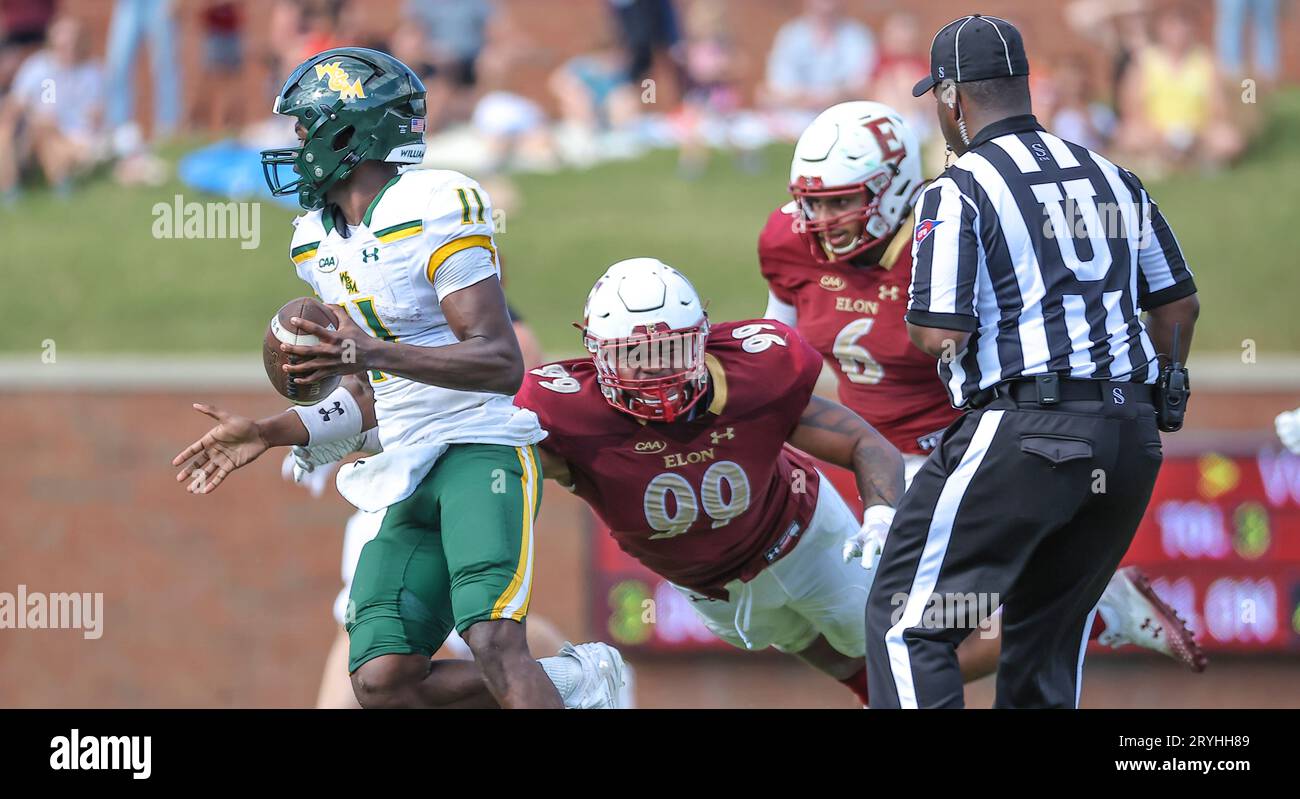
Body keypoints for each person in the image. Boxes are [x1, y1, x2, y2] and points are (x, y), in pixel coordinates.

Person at [172, 48, 626, 709]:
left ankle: (550, 680)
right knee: (379, 681)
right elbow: (369, 391)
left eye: (304, 131)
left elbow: (500, 362)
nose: (294, 148)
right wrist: (270, 432)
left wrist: (371, 354)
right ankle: (573, 680)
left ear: (349, 133)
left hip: (480, 448)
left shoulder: (437, 203)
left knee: (495, 642)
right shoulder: (315, 242)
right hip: (408, 460)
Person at [760, 100, 1204, 674]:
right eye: (812, 202)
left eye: (843, 201)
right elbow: (781, 357)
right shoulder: (787, 239)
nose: (823, 219)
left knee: (915, 642)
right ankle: (1086, 609)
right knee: (857, 639)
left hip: (959, 453)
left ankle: (1091, 611)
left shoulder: (948, 227)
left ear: (894, 188)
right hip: (865, 458)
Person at [865, 14, 1201, 708]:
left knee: (906, 621)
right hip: (1130, 438)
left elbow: (938, 331)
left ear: (953, 98)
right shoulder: (1114, 176)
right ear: (1022, 85)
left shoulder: (958, 187)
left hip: (1026, 430)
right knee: (1044, 639)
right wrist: (1165, 389)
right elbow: (1178, 308)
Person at [0, 16, 106, 203]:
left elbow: (95, 118)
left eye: (71, 43)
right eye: (62, 44)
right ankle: (50, 185)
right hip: (38, 139)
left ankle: (58, 182)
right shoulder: (39, 69)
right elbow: (16, 105)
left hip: (76, 139)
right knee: (35, 126)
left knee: (49, 131)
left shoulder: (92, 73)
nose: (66, 49)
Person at [760, 0, 875, 138]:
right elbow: (777, 87)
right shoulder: (790, 35)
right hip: (796, 115)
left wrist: (830, 98)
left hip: (843, 115)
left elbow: (863, 86)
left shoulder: (857, 36)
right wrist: (807, 99)